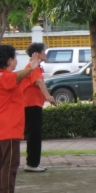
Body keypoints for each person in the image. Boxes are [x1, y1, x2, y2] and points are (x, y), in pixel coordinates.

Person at [0, 44, 39, 193]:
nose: (16, 61)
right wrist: (31, 68)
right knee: (10, 164)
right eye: (15, 58)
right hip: (9, 127)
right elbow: (18, 76)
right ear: (9, 60)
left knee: (3, 164)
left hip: (4, 127)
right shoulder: (4, 76)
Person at [20, 43, 56, 173]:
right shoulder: (33, 67)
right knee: (34, 135)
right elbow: (39, 82)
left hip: (34, 104)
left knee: (34, 134)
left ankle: (33, 163)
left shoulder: (35, 67)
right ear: (37, 53)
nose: (45, 54)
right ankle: (32, 164)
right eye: (44, 52)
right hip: (31, 104)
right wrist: (48, 97)